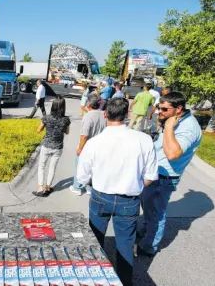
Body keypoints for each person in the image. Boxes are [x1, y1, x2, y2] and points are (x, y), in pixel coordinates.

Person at [77, 98, 158, 286]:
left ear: (105, 114)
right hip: (129, 200)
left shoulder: (94, 142)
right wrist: (132, 184)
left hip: (100, 196)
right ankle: (123, 281)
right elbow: (150, 177)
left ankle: (94, 279)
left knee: (95, 241)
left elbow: (82, 177)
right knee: (125, 245)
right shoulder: (144, 140)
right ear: (127, 115)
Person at [137, 92, 202, 257]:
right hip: (156, 172)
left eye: (165, 109)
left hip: (163, 178)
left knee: (157, 214)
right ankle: (146, 230)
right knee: (149, 208)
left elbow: (173, 153)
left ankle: (149, 246)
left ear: (178, 108)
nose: (160, 112)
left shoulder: (189, 128)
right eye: (159, 108)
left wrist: (168, 127)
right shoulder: (174, 119)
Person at [33, 95, 70, 197]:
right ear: (63, 107)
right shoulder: (66, 120)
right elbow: (67, 132)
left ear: (53, 106)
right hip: (58, 147)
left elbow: (38, 130)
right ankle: (48, 188)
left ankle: (40, 188)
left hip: (46, 145)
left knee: (42, 166)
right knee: (52, 167)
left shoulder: (47, 118)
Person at [70, 94, 106, 196]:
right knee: (92, 168)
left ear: (89, 104)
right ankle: (89, 187)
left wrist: (80, 148)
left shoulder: (88, 116)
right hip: (99, 147)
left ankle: (77, 187)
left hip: (87, 147)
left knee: (80, 166)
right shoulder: (104, 115)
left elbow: (84, 135)